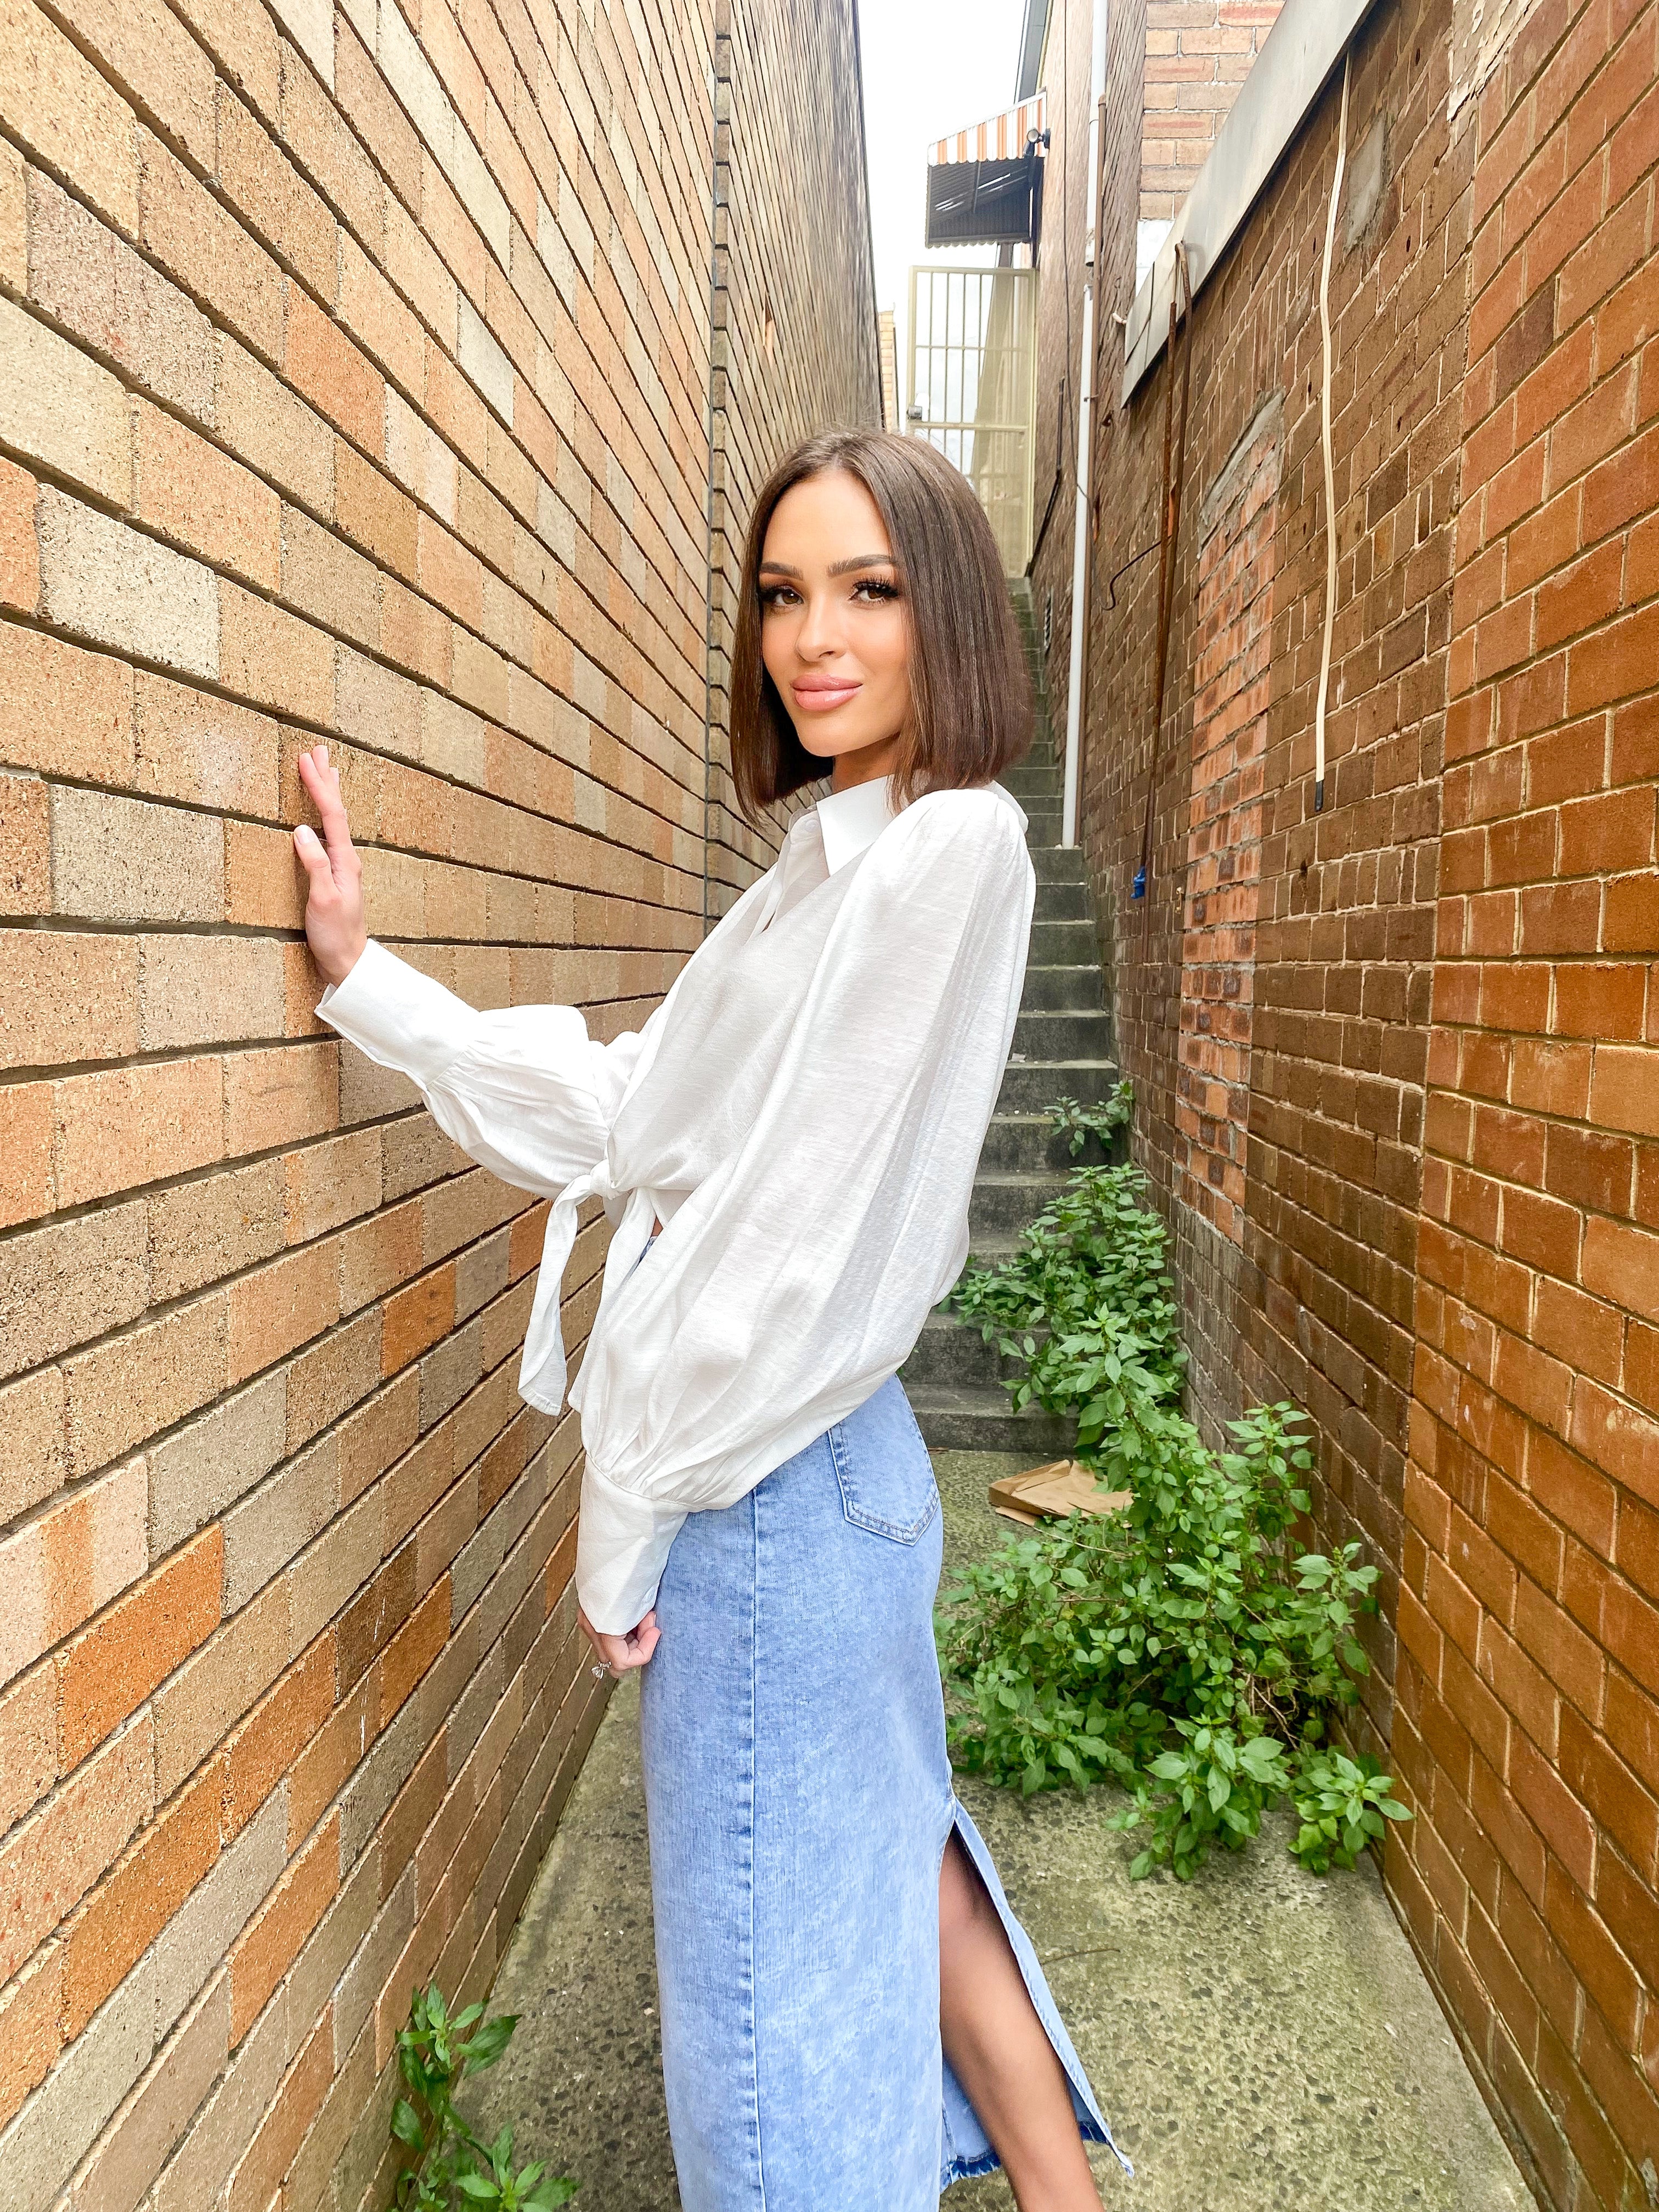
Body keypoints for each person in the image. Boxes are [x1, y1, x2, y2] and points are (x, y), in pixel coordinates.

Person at [293, 428, 1127, 2209]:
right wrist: (380, 990)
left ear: (951, 614)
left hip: (771, 1475)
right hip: (831, 1471)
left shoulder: (942, 853)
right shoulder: (831, 868)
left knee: (770, 2090)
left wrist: (622, 1525)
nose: (814, 638)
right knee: (898, 1860)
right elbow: (633, 1111)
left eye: (870, 590)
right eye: (783, 594)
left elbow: (774, 1260)